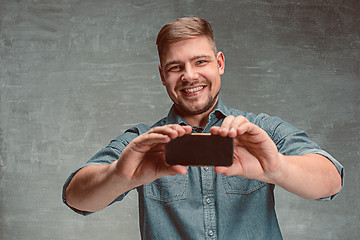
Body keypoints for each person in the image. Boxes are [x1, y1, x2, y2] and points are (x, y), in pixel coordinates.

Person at [63, 17, 344, 239]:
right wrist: (120, 175)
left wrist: (276, 168)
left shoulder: (259, 130)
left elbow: (331, 180)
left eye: (200, 61)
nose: (189, 76)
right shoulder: (143, 142)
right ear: (162, 75)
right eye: (175, 67)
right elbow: (76, 196)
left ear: (219, 63)